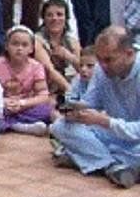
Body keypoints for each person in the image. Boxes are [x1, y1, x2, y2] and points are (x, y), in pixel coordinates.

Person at [51, 26, 140, 188]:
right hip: (114, 135)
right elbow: (90, 103)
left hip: (133, 138)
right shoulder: (101, 70)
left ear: (129, 54)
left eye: (109, 60)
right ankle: (112, 166)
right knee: (60, 126)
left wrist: (106, 122)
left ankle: (85, 158)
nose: (103, 66)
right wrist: (74, 110)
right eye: (99, 59)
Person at [34, 0, 80, 95]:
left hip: (68, 87)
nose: (55, 18)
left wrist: (69, 56)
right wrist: (74, 94)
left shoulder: (72, 41)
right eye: (49, 15)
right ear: (44, 19)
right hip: (44, 88)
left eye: (59, 14)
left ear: (66, 18)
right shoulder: (36, 41)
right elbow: (49, 70)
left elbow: (83, 68)